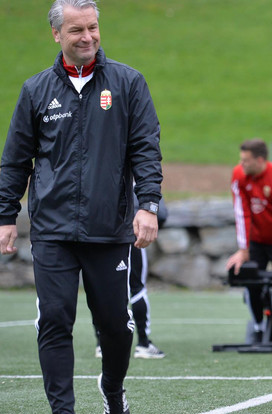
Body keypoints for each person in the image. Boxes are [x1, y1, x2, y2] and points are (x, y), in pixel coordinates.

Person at [0, 1, 163, 413]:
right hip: (52, 231)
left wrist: (148, 204)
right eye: (77, 30)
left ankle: (112, 391)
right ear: (57, 34)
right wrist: (4, 215)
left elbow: (146, 148)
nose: (87, 37)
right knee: (54, 321)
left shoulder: (128, 83)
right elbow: (16, 159)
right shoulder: (36, 90)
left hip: (109, 228)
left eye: (92, 28)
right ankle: (63, 410)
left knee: (114, 326)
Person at [225, 138, 272, 344]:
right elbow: (241, 213)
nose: (242, 165)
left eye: (246, 161)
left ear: (260, 160)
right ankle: (259, 326)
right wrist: (243, 249)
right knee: (250, 280)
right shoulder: (238, 176)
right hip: (255, 241)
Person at [95, 198, 169, 360]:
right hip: (130, 237)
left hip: (98, 236)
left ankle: (102, 343)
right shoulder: (138, 178)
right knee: (137, 288)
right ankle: (143, 343)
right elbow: (161, 214)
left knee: (100, 289)